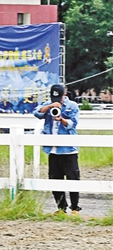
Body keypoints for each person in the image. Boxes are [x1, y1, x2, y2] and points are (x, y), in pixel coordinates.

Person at [33, 83, 81, 215]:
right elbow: (36, 113)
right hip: (52, 148)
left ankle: (75, 208)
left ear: (64, 95)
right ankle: (61, 208)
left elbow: (73, 124)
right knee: (55, 178)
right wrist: (49, 107)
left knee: (72, 177)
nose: (57, 100)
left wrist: (62, 120)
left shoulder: (72, 106)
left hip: (68, 148)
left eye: (58, 98)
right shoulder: (49, 104)